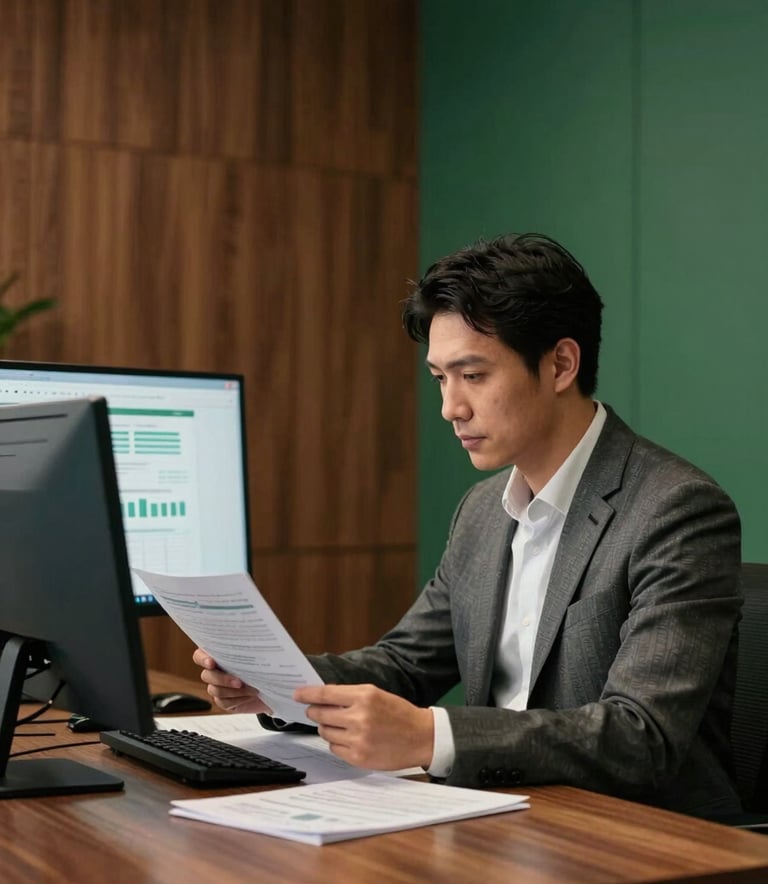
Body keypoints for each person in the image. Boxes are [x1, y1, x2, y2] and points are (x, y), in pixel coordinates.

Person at [194, 232, 743, 817]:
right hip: (503, 815)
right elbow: (406, 666)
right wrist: (278, 684)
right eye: (440, 378)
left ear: (560, 364)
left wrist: (432, 737)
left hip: (641, 839)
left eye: (473, 376)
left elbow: (642, 736)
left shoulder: (677, 509)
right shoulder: (482, 511)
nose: (450, 407)